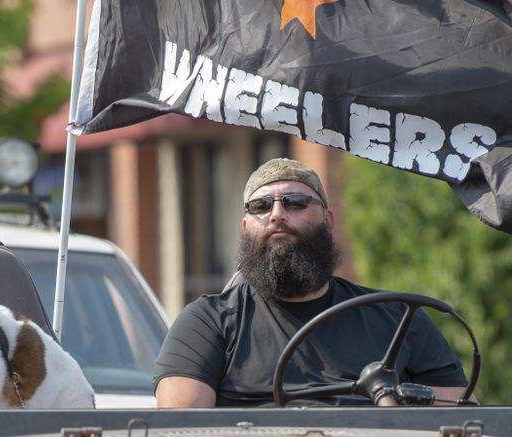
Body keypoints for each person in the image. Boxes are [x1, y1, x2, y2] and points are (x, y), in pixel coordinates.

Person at [154, 158, 467, 408]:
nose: (277, 214)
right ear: (245, 226)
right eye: (261, 206)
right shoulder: (207, 323)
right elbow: (182, 432)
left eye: (295, 202)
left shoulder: (399, 318)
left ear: (328, 221)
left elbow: (461, 424)